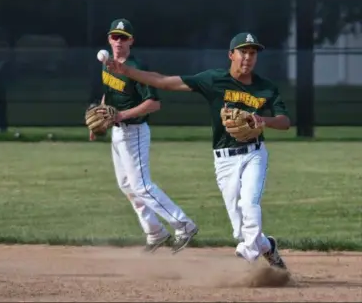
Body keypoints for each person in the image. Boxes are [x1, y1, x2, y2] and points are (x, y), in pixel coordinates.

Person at [105, 32, 290, 269]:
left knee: (249, 204)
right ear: (231, 55)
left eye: (253, 53)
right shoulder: (213, 80)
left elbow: (284, 121)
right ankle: (268, 247)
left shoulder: (266, 87)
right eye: (243, 52)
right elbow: (164, 82)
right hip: (224, 160)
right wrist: (127, 72)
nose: (248, 57)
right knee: (241, 228)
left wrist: (263, 120)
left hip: (254, 154)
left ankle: (248, 252)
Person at [89, 18, 199, 254]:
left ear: (131, 41)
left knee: (142, 186)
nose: (118, 41)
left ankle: (184, 225)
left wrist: (122, 115)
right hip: (118, 134)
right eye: (114, 36)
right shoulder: (107, 64)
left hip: (135, 132)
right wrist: (98, 120)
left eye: (123, 37)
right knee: (127, 185)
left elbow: (153, 104)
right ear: (109, 39)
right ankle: (155, 232)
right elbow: (108, 96)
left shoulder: (137, 68)